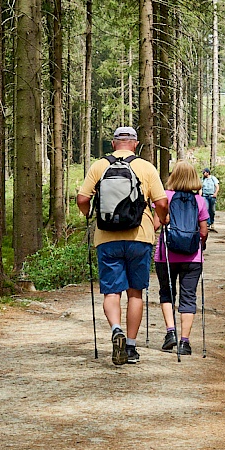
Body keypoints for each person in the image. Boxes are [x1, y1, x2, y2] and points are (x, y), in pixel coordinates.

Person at [76, 126, 168, 365]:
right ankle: (130, 345)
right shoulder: (146, 167)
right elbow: (162, 202)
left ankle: (116, 329)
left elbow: (82, 199)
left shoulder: (99, 166)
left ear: (114, 144)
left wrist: (88, 215)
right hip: (140, 236)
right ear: (135, 144)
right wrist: (159, 221)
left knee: (111, 291)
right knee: (135, 292)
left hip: (107, 237)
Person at [156, 160, 210, 356]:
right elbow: (203, 231)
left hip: (166, 256)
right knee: (188, 297)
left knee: (167, 293)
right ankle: (184, 342)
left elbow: (156, 224)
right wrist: (200, 244)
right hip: (192, 257)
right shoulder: (200, 201)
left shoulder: (165, 198)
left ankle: (170, 332)